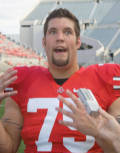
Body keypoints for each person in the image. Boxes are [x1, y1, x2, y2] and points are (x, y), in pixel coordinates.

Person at [0, 8, 120, 153]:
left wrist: (98, 131)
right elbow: (7, 148)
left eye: (68, 32)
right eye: (53, 32)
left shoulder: (106, 77)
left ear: (78, 42)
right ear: (44, 42)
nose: (60, 37)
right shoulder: (22, 79)